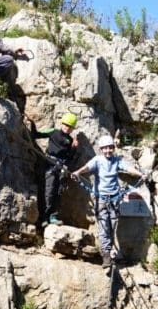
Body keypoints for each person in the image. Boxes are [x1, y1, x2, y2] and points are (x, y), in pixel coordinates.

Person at [71, 135, 145, 268]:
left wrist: (141, 174)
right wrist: (77, 172)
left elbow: (128, 169)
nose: (108, 151)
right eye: (105, 148)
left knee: (112, 226)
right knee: (104, 226)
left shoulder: (117, 161)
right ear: (101, 149)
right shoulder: (98, 160)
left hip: (114, 199)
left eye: (110, 148)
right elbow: (87, 168)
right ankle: (106, 255)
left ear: (113, 148)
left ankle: (108, 251)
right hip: (101, 199)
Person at [31, 112, 80, 226]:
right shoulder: (53, 132)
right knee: (49, 190)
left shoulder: (70, 140)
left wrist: (74, 148)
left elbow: (69, 158)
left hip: (61, 167)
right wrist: (32, 123)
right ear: (62, 124)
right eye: (66, 125)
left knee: (58, 192)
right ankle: (44, 217)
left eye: (70, 127)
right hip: (49, 164)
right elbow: (36, 134)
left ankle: (53, 216)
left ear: (72, 129)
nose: (67, 128)